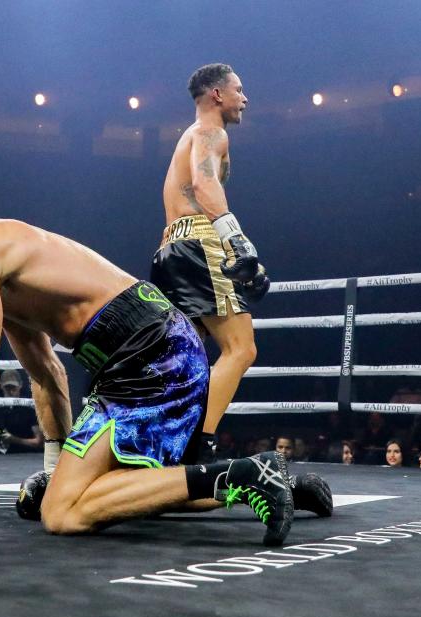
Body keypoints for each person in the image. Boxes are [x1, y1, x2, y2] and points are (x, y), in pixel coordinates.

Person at [0, 219, 333, 546]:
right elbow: (47, 376)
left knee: (65, 513)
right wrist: (53, 468)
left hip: (147, 350)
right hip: (152, 349)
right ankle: (282, 484)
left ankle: (246, 472)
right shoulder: (1, 288)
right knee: (126, 494)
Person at [150, 63, 268, 448]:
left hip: (172, 247)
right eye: (239, 89)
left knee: (183, 357)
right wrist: (237, 242)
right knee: (241, 348)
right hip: (200, 244)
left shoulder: (188, 136)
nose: (244, 98)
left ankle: (154, 440)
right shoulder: (210, 132)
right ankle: (200, 444)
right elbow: (203, 185)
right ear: (217, 94)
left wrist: (244, 253)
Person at [0, 369, 44, 453]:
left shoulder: (29, 409)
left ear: (20, 385)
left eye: (13, 387)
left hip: (26, 456)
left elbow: (39, 442)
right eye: (7, 387)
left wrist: (14, 439)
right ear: (1, 386)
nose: (10, 391)